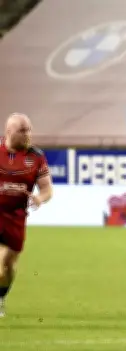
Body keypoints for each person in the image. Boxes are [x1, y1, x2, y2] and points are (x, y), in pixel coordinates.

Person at [0, 113, 53, 318]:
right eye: (23, 131)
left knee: (7, 266)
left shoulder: (36, 156)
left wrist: (40, 199)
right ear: (9, 132)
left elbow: (47, 189)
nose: (28, 134)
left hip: (16, 217)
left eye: (29, 129)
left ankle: (2, 296)